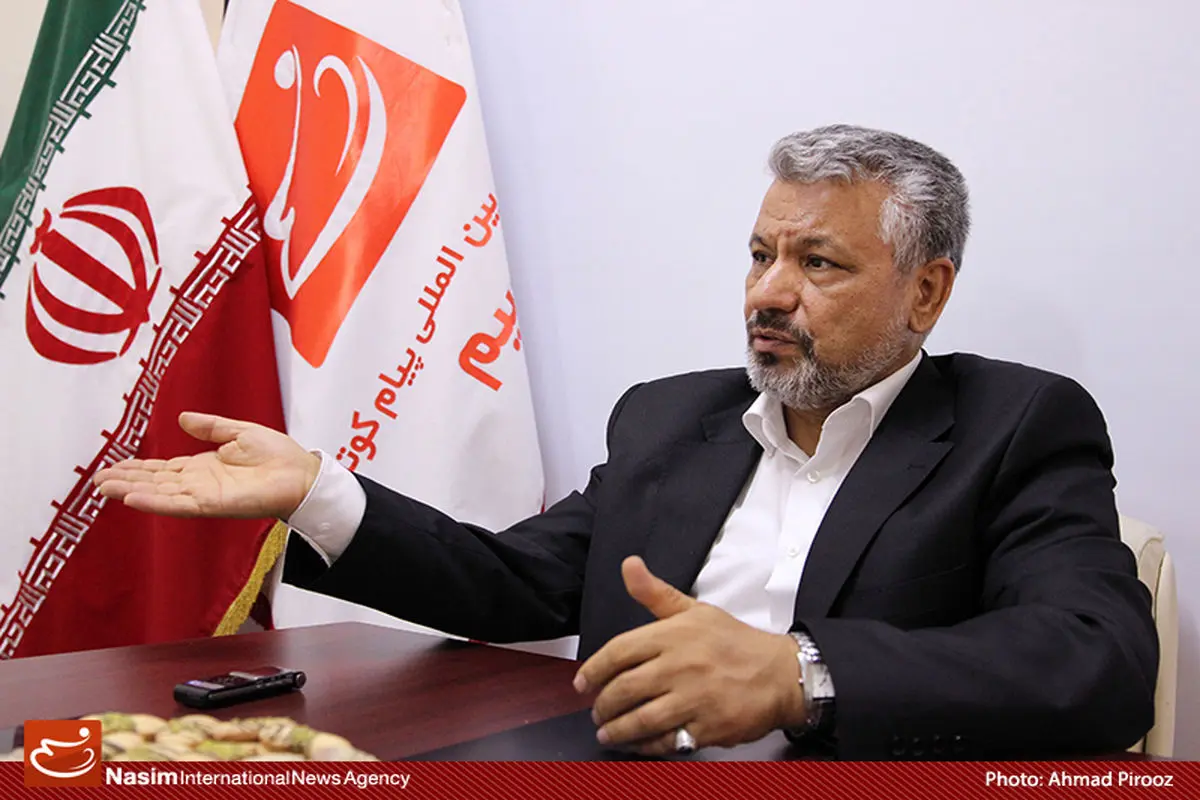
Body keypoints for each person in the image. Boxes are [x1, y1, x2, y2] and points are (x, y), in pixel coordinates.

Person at [95, 124, 1157, 760]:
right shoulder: (670, 419)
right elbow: (513, 584)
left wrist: (801, 674)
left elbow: (1097, 656)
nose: (768, 292)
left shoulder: (1015, 425)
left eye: (819, 264)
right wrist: (319, 491)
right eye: (760, 254)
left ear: (926, 292)